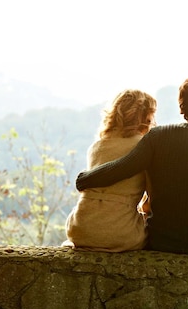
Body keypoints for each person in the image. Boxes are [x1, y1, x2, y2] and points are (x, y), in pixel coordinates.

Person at [76, 75, 188, 255]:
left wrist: (84, 180)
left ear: (181, 106)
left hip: (162, 240)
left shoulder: (157, 136)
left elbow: (122, 168)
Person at [64, 89, 156, 252]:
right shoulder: (144, 146)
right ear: (145, 117)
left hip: (79, 228)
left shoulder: (96, 147)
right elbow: (151, 199)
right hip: (120, 234)